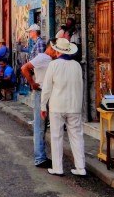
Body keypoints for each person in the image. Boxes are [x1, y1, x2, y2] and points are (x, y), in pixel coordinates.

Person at [41, 37, 86, 176]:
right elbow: (80, 86)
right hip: (74, 106)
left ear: (57, 51)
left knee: (56, 136)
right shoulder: (77, 65)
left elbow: (47, 88)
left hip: (57, 106)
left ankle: (58, 168)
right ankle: (81, 168)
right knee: (77, 136)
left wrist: (43, 106)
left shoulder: (53, 65)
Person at [20, 24, 51, 168]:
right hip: (40, 88)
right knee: (40, 125)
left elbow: (32, 64)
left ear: (34, 32)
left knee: (41, 125)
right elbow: (28, 66)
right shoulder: (40, 48)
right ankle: (40, 157)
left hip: (42, 88)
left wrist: (32, 80)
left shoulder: (40, 45)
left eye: (30, 31)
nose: (29, 34)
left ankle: (41, 156)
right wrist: (32, 82)